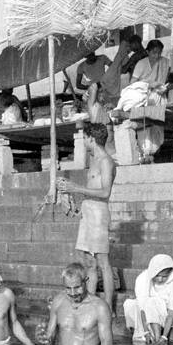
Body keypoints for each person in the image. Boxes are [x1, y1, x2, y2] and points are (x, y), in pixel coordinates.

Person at [57, 123, 116, 310]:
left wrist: (75, 188)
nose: (84, 142)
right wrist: (75, 199)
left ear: (91, 138)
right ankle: (90, 302)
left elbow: (105, 192)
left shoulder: (106, 161)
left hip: (99, 213)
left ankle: (107, 306)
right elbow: (91, 189)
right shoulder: (93, 159)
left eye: (85, 138)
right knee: (89, 262)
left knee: (103, 263)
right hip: (88, 211)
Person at [45, 263, 114, 345]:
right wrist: (44, 341)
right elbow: (49, 342)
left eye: (77, 287)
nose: (72, 293)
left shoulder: (100, 307)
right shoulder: (58, 301)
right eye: (68, 288)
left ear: (86, 281)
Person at [122, 254, 173, 345]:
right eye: (157, 275)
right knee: (130, 304)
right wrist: (145, 331)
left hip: (171, 315)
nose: (160, 279)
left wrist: (164, 337)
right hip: (148, 310)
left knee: (153, 302)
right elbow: (142, 308)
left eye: (164, 276)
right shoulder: (142, 279)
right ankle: (145, 335)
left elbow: (171, 314)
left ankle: (157, 339)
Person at [130, 40, 171, 159]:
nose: (157, 56)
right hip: (144, 98)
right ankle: (145, 151)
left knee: (157, 125)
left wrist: (163, 87)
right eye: (154, 53)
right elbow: (132, 83)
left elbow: (166, 80)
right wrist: (149, 84)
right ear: (147, 52)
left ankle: (156, 150)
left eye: (159, 52)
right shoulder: (141, 64)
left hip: (159, 97)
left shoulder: (164, 62)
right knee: (145, 126)